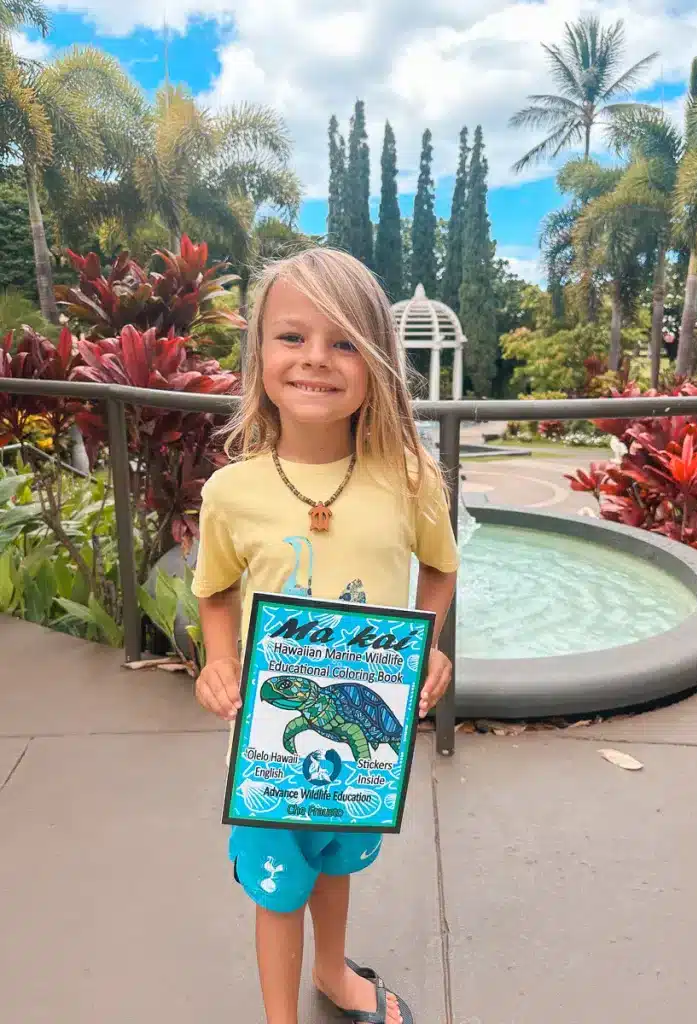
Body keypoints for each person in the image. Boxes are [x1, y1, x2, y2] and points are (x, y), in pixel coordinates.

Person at [191, 247, 459, 1024]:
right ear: (259, 354)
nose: (316, 359)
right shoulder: (233, 491)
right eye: (292, 337)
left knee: (337, 853)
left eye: (344, 341)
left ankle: (334, 971)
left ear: (376, 360)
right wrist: (218, 660)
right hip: (268, 749)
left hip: (364, 739)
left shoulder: (410, 477)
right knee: (278, 882)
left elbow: (438, 570)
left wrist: (430, 645)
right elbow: (212, 589)